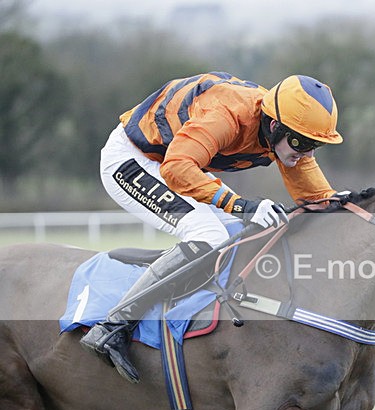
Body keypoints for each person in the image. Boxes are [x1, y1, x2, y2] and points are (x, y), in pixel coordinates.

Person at [80, 72, 344, 382]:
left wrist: (348, 206)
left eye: (316, 145)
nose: (308, 154)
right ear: (274, 126)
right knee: (209, 235)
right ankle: (113, 327)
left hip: (175, 160)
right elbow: (177, 167)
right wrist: (241, 205)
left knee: (239, 234)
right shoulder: (227, 113)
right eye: (303, 143)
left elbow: (318, 199)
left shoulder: (284, 129)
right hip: (133, 159)